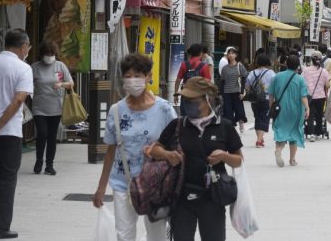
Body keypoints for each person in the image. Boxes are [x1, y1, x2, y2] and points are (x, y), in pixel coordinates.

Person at [93, 53, 176, 241]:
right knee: (124, 235)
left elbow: (176, 146)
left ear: (148, 76)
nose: (133, 80)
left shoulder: (165, 110)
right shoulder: (116, 111)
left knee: (157, 236)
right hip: (123, 182)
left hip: (156, 183)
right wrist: (101, 187)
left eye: (138, 75)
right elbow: (111, 150)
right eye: (128, 76)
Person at [151, 78, 242, 241]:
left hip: (213, 199)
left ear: (207, 99)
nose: (187, 104)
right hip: (181, 198)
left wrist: (224, 156)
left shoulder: (224, 126)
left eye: (191, 100)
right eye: (184, 100)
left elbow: (239, 160)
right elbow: (155, 149)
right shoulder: (177, 125)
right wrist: (167, 155)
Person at [0, 29, 33, 240]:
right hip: (8, 132)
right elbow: (18, 100)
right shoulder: (23, 68)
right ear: (23, 46)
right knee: (6, 179)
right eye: (28, 47)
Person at [31, 40, 74, 175]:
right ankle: (39, 160)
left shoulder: (60, 66)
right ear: (42, 54)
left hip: (56, 106)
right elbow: (27, 83)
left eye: (51, 53)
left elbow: (71, 83)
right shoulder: (35, 67)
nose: (49, 56)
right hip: (39, 106)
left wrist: (61, 85)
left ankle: (49, 165)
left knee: (51, 136)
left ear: (55, 53)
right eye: (47, 53)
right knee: (42, 133)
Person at [268, 55, 309, 167]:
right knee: (294, 133)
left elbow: (271, 94)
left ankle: (279, 150)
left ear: (286, 63)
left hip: (280, 110)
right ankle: (292, 160)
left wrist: (271, 106)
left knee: (280, 131)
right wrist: (307, 108)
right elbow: (303, 96)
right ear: (297, 66)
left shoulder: (277, 76)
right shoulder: (300, 79)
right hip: (296, 111)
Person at [245, 54, 275, 148]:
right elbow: (274, 86)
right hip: (266, 99)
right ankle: (258, 141)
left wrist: (252, 93)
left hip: (254, 100)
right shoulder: (271, 73)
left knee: (258, 118)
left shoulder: (252, 73)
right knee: (264, 118)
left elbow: (247, 86)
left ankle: (260, 139)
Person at [173, 43, 213, 112]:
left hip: (185, 94)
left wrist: (176, 94)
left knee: (185, 118)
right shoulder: (204, 66)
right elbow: (207, 83)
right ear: (201, 53)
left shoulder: (184, 64)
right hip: (199, 96)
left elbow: (178, 80)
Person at [303, 51, 331, 141]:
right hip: (320, 97)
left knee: (310, 114)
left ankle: (311, 133)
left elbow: (302, 82)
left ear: (311, 59)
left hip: (308, 96)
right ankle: (318, 133)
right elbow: (327, 85)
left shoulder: (305, 70)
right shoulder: (324, 71)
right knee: (319, 115)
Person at [220, 46, 248, 133]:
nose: (231, 55)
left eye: (233, 53)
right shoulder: (225, 68)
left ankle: (241, 123)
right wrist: (221, 93)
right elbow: (222, 81)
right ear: (227, 55)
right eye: (229, 53)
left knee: (239, 110)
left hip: (237, 91)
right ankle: (231, 128)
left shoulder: (240, 66)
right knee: (228, 111)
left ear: (236, 55)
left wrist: (242, 91)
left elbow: (243, 79)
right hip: (227, 92)